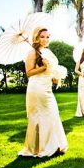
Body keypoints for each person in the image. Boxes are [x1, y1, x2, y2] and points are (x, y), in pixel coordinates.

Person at [18, 27, 68, 157]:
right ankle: (39, 147)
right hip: (37, 88)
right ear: (36, 38)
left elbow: (51, 69)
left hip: (47, 86)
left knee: (52, 114)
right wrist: (44, 67)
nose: (45, 39)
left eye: (47, 37)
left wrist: (55, 77)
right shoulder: (32, 53)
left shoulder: (47, 52)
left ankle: (54, 145)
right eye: (42, 37)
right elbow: (29, 73)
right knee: (41, 115)